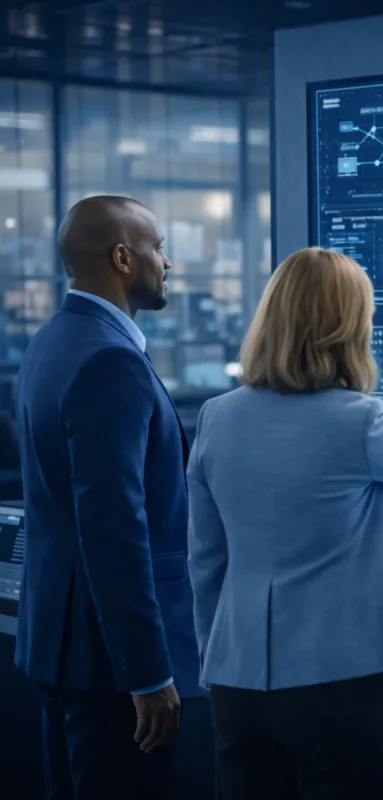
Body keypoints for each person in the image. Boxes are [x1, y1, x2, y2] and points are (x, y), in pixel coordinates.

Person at [187, 247, 383, 800]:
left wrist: (215, 655)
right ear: (346, 328)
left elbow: (206, 558)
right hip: (338, 678)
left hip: (238, 677)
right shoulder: (356, 418)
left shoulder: (217, 416)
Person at [14, 196, 200, 799]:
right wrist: (146, 674)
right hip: (110, 665)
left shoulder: (50, 343)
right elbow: (115, 530)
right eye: (158, 247)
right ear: (123, 257)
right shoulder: (110, 361)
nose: (167, 264)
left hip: (59, 645)